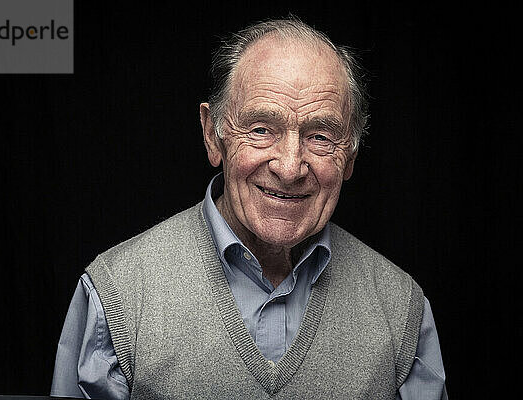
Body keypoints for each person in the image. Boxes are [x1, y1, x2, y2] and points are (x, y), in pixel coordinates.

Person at [51, 17, 447, 399]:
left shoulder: (401, 308)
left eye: (320, 136)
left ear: (351, 156)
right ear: (212, 135)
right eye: (261, 130)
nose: (290, 167)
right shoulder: (115, 295)